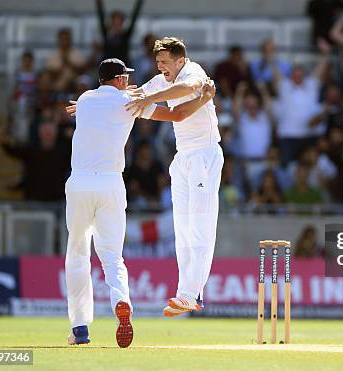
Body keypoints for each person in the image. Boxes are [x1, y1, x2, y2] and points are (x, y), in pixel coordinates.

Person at [64, 58, 215, 347]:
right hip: (110, 183)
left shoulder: (83, 100)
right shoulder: (130, 102)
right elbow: (179, 115)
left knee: (78, 254)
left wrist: (121, 93)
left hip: (80, 182)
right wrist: (205, 98)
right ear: (121, 79)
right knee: (112, 257)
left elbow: (99, 102)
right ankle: (122, 301)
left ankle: (80, 328)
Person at [123, 37, 224, 317]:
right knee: (182, 230)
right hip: (182, 158)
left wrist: (150, 100)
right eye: (158, 63)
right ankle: (187, 294)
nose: (161, 67)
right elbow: (134, 97)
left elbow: (186, 91)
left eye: (165, 62)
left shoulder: (193, 72)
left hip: (205, 154)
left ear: (180, 60)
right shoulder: (160, 81)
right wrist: (90, 102)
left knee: (200, 226)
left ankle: (191, 294)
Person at [95, 0, 144, 65]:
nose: (116, 23)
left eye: (118, 20)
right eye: (114, 20)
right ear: (111, 21)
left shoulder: (125, 35)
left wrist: (139, 3)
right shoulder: (107, 33)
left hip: (123, 65)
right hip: (107, 66)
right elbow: (101, 16)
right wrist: (99, 3)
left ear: (122, 22)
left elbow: (134, 18)